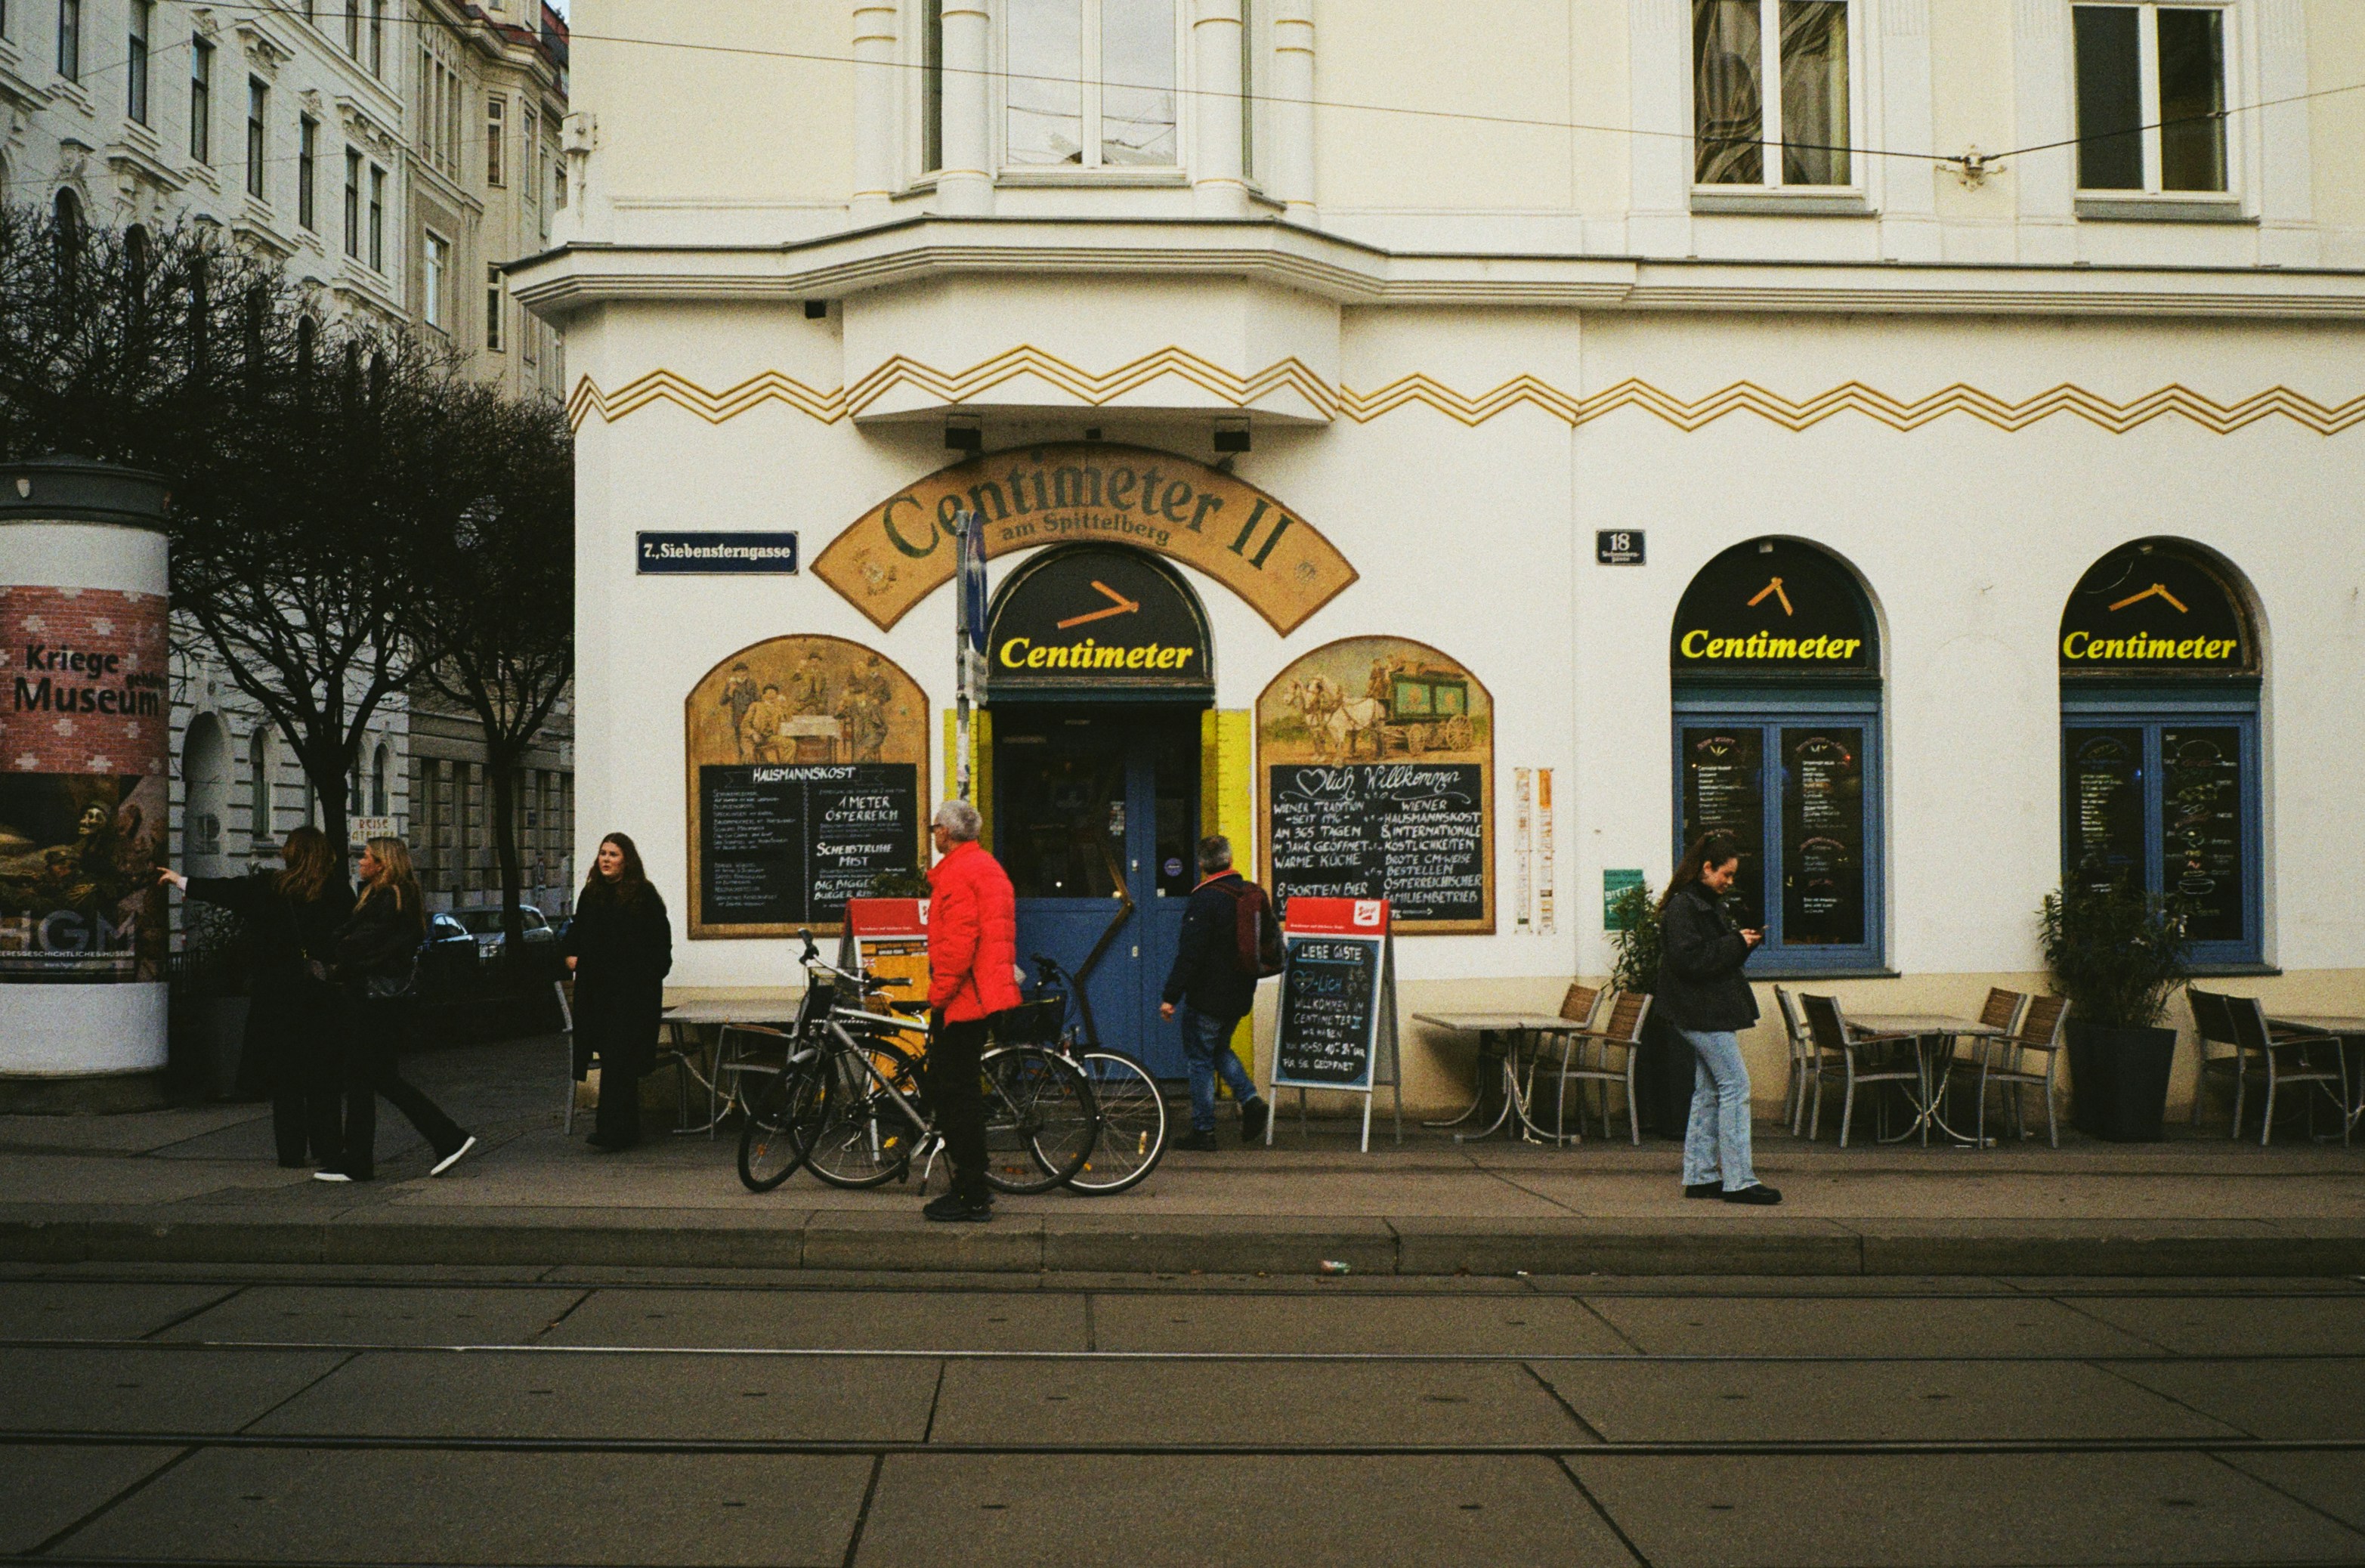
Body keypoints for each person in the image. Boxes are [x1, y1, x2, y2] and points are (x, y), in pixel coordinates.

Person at [159, 826, 353, 1167]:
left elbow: (229, 891)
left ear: (290, 854)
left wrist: (181, 880)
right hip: (323, 995)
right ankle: (328, 1147)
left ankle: (291, 1153)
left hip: (278, 996)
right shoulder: (338, 893)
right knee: (323, 1078)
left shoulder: (271, 888)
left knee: (287, 1080)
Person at [314, 837, 475, 1184]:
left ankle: (444, 1138)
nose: (360, 861)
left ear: (383, 864)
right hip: (381, 1000)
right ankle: (438, 1139)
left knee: (369, 1076)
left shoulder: (390, 899)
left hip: (375, 1001)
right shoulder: (384, 895)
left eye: (367, 857)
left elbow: (357, 944)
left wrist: (340, 948)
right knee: (373, 1077)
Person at [1657, 830, 1780, 1205]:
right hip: (1701, 1011)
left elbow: (1704, 958)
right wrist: (1735, 943)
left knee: (1710, 1091)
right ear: (1706, 868)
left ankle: (1701, 1176)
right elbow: (1690, 962)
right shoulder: (1686, 907)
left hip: (1700, 1009)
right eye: (1725, 874)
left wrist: (1740, 944)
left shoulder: (1698, 903)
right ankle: (1739, 1180)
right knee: (1735, 1088)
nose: (1729, 882)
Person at [920, 799, 1021, 1223]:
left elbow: (958, 947)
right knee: (949, 1088)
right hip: (985, 996)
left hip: (965, 1000)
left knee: (957, 1096)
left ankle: (972, 1193)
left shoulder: (960, 874)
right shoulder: (986, 866)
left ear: (947, 832)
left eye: (935, 828)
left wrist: (938, 997)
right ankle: (968, 1181)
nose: (933, 835)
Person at [1159, 834, 1272, 1151]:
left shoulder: (1206, 899)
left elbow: (1190, 954)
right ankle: (1250, 1101)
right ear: (1230, 859)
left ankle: (1204, 1131)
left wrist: (1171, 996)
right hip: (1239, 993)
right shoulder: (1250, 892)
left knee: (1199, 1059)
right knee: (1219, 1048)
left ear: (1201, 865)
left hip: (1208, 996)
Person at [564, 832, 674, 1151]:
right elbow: (576, 933)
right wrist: (570, 954)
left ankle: (614, 1131)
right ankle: (622, 1130)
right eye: (603, 853)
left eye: (613, 854)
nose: (606, 860)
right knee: (615, 1060)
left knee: (618, 1059)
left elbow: (659, 947)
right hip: (599, 996)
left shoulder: (643, 896)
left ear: (627, 860)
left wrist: (645, 978)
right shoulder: (592, 894)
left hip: (632, 996)